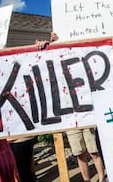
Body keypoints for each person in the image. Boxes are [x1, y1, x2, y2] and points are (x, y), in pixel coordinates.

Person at [36, 32, 106, 182]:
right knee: (79, 153)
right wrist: (44, 46)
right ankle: (86, 180)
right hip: (69, 116)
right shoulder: (56, 69)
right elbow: (44, 62)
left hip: (86, 112)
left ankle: (101, 177)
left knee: (94, 151)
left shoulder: (79, 61)